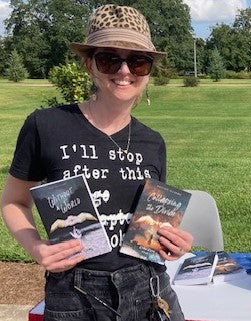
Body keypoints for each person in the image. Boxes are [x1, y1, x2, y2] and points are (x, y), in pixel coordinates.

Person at [0, 4, 192, 321]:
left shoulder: (154, 142)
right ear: (90, 65)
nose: (124, 71)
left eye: (138, 61)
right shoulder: (45, 126)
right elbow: (13, 201)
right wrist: (36, 248)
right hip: (75, 295)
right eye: (109, 59)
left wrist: (170, 243)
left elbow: (151, 225)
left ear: (149, 70)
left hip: (150, 288)